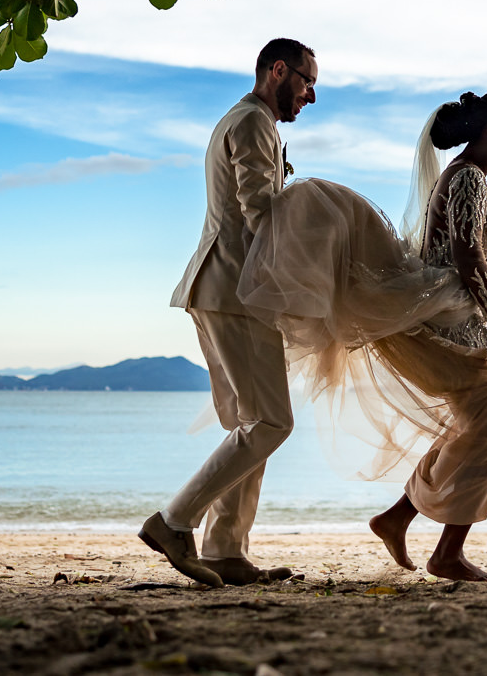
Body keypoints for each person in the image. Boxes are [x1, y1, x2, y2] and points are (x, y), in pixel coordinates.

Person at [238, 90, 487, 581]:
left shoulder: (464, 177)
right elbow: (468, 259)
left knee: (478, 423)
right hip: (453, 320)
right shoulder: (467, 180)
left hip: (453, 314)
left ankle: (398, 520)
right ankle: (445, 553)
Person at [139, 38, 317, 588]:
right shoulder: (254, 122)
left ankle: (224, 550)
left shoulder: (241, 121)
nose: (311, 96)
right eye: (307, 82)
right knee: (270, 422)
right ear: (277, 70)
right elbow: (260, 207)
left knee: (249, 424)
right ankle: (173, 521)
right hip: (237, 291)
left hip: (219, 289)